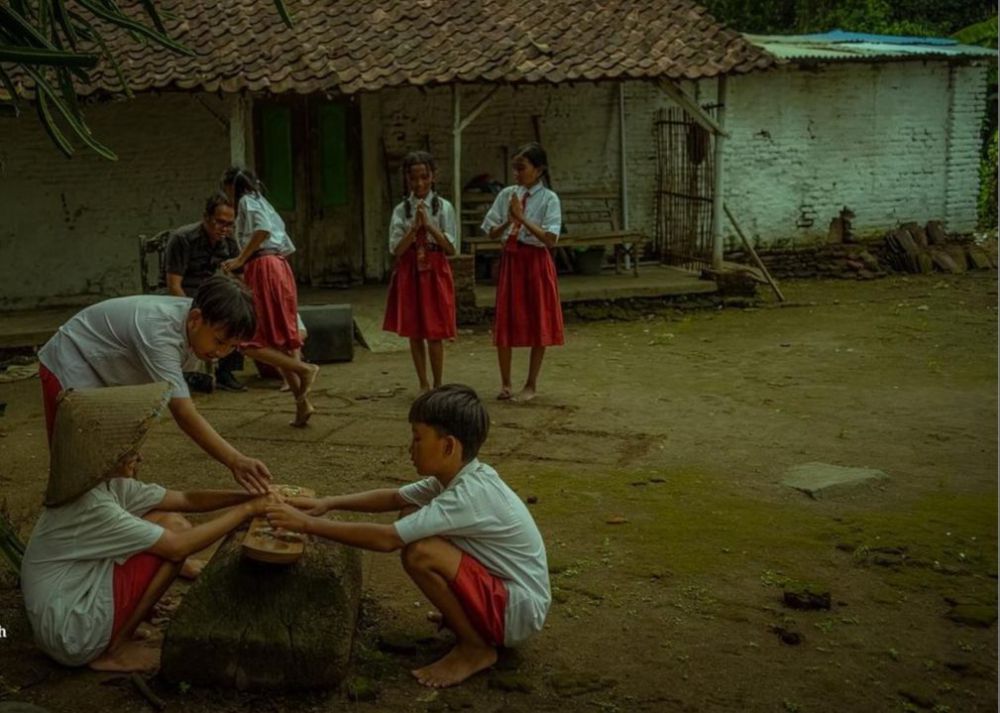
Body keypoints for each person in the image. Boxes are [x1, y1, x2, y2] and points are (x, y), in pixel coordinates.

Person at [266, 385, 550, 689]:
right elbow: (394, 497)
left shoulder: (469, 494)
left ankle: (475, 648)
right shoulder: (458, 477)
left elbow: (388, 539)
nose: (409, 448)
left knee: (420, 550)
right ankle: (467, 620)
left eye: (417, 438)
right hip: (510, 600)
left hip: (517, 612)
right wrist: (329, 503)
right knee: (411, 513)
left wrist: (307, 524)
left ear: (448, 446)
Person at [20, 383, 277, 672]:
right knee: (175, 540)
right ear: (105, 455)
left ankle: (120, 626)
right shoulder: (89, 505)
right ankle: (115, 650)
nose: (138, 457)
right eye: (130, 452)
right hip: (71, 634)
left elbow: (185, 499)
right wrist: (247, 510)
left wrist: (250, 495)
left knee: (169, 519)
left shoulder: (104, 485)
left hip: (70, 603)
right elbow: (179, 547)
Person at [37, 274, 271, 493]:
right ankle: (75, 517)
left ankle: (114, 507)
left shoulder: (196, 328)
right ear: (195, 319)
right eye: (219, 341)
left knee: (118, 458)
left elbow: (153, 395)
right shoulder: (159, 332)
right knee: (78, 458)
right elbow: (183, 412)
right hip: (69, 361)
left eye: (231, 346)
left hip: (108, 373)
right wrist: (234, 460)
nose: (221, 352)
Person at [219, 167, 319, 427]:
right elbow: (283, 242)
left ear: (233, 187)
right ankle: (302, 403)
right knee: (281, 340)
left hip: (264, 267)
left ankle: (303, 370)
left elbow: (262, 231)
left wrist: (242, 259)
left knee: (252, 340)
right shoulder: (262, 202)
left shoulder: (246, 202)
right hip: (276, 266)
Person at [481, 143, 564, 402]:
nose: (516, 173)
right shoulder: (507, 194)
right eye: (514, 168)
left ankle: (531, 383)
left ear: (538, 170)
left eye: (522, 168)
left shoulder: (549, 199)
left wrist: (523, 218)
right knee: (505, 319)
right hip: (512, 259)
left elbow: (551, 239)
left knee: (538, 318)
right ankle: (506, 383)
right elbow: (491, 230)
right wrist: (509, 219)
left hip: (536, 260)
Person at [382, 151, 458, 393]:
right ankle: (423, 383)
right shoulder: (401, 211)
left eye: (425, 177)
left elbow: (451, 247)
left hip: (435, 269)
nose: (420, 184)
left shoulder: (444, 207)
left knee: (435, 331)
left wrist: (430, 227)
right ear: (407, 179)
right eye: (414, 179)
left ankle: (438, 383)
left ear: (433, 177)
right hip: (410, 270)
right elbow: (396, 249)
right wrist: (414, 229)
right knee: (415, 331)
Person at [164, 192, 247, 393]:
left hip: (209, 291)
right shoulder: (183, 238)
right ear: (206, 218)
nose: (224, 229)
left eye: (229, 224)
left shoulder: (228, 241)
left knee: (236, 311)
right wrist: (186, 311)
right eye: (220, 223)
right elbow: (174, 284)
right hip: (183, 293)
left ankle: (226, 372)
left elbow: (240, 278)